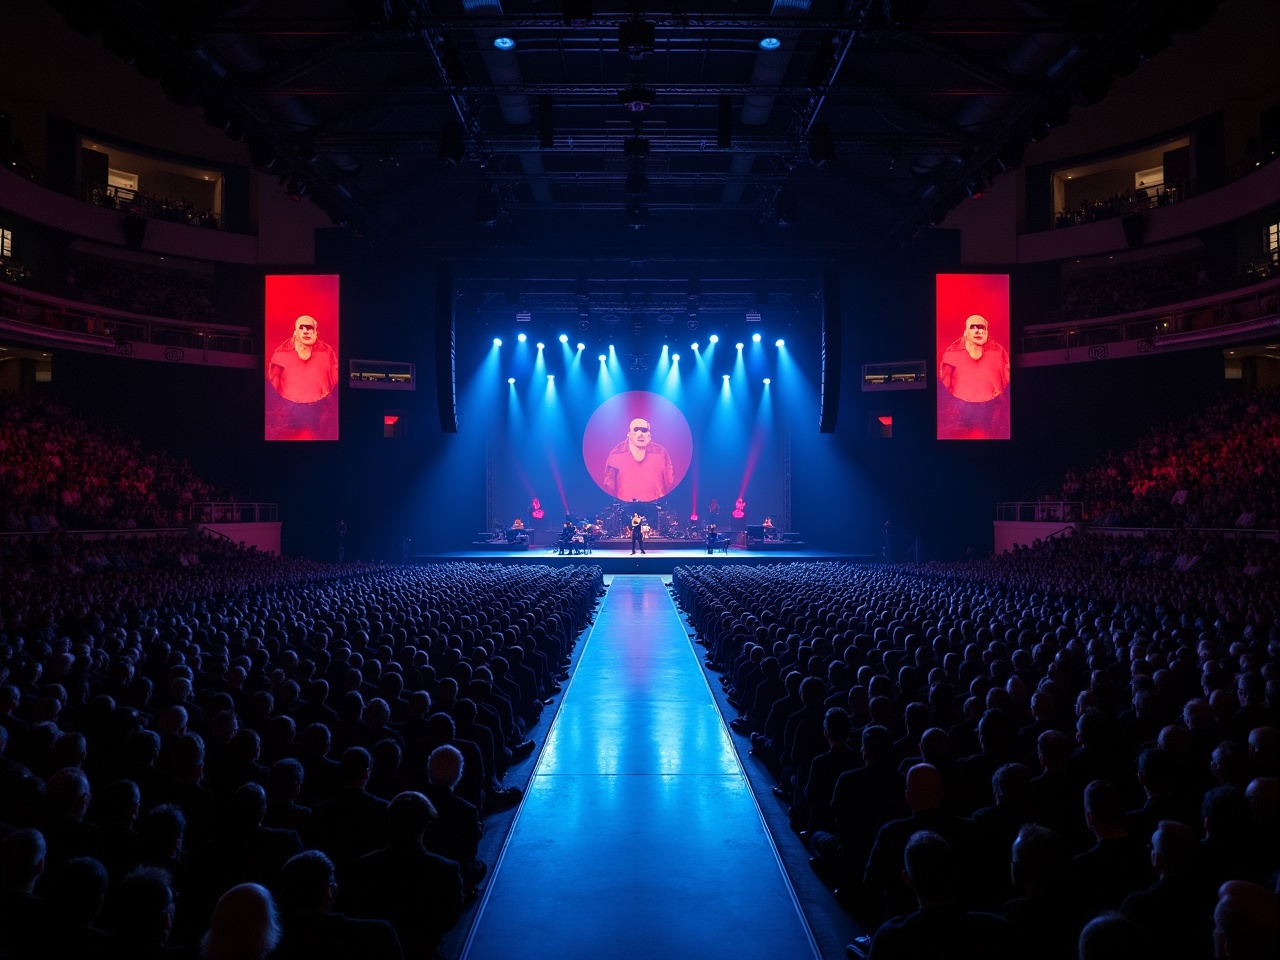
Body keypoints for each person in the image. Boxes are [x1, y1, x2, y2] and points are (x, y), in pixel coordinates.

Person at [266, 315, 339, 439]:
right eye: (302, 327)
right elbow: (272, 389)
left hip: (321, 414)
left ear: (316, 333)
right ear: (295, 333)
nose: (306, 331)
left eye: (309, 328)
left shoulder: (327, 352)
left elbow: (336, 382)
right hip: (288, 414)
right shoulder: (280, 353)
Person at [937, 314, 1010, 438]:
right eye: (973, 327)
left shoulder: (999, 352)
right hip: (958, 417)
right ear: (966, 332)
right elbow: (944, 388)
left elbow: (1007, 382)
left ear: (987, 332)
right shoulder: (951, 354)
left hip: (994, 415)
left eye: (982, 328)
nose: (978, 331)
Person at [602, 418, 674, 502]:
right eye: (636, 430)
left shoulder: (661, 453)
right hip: (625, 509)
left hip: (655, 508)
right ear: (629, 434)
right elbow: (609, 486)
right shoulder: (616, 454)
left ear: (649, 434)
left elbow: (670, 482)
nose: (640, 434)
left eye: (644, 430)